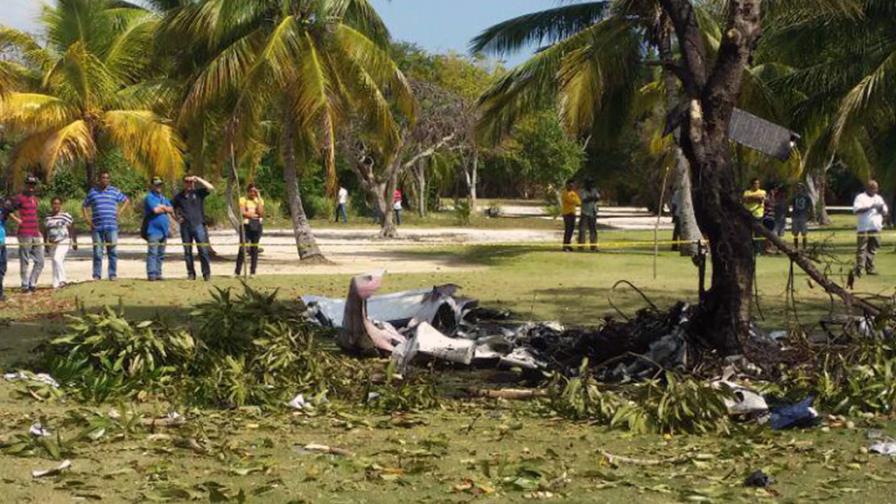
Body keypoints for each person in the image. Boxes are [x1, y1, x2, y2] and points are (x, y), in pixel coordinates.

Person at [83, 172, 130, 280]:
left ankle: (112, 274)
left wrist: (119, 212)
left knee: (112, 251)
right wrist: (87, 219)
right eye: (103, 178)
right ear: (99, 179)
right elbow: (84, 206)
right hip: (97, 227)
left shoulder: (114, 191)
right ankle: (96, 275)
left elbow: (126, 200)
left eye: (107, 178)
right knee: (98, 252)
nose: (105, 180)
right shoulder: (93, 192)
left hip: (111, 226)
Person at [173, 175, 214, 281]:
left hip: (198, 224)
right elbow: (172, 208)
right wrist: (177, 218)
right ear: (184, 183)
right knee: (187, 251)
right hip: (185, 227)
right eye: (187, 181)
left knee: (203, 250)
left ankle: (206, 274)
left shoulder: (198, 193)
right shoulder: (179, 196)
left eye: (191, 181)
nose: (189, 183)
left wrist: (198, 179)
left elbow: (211, 188)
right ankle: (191, 274)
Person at [11, 175, 44, 293]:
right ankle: (25, 285)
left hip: (35, 232)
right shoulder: (19, 198)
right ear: (26, 185)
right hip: (24, 232)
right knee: (25, 260)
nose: (31, 187)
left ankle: (32, 282)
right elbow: (8, 210)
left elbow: (35, 215)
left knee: (40, 261)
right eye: (29, 184)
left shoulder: (35, 199)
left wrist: (40, 231)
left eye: (33, 184)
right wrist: (17, 220)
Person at [853, 180, 889, 277]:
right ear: (867, 188)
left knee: (873, 249)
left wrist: (880, 209)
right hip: (863, 228)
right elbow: (856, 211)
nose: (874, 191)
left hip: (876, 227)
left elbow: (885, 212)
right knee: (861, 249)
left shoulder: (879, 198)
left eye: (876, 189)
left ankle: (870, 268)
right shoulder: (860, 197)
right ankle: (859, 269)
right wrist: (870, 207)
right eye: (872, 188)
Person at [143, 177, 174, 281]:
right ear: (152, 186)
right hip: (153, 230)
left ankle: (158, 273)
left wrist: (163, 207)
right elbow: (155, 210)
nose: (159, 187)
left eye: (160, 185)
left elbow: (171, 209)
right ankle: (151, 274)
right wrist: (164, 208)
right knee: (153, 253)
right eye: (156, 185)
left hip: (164, 230)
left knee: (161, 254)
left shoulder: (164, 198)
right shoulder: (149, 197)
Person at [43, 197, 77, 289]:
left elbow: (72, 228)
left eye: (58, 203)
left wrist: (74, 241)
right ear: (51, 204)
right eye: (54, 203)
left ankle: (62, 280)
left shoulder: (65, 215)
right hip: (52, 242)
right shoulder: (48, 217)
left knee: (57, 258)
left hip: (64, 240)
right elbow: (45, 231)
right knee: (54, 261)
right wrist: (45, 243)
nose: (56, 206)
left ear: (61, 205)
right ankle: (55, 283)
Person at [235, 184, 264, 276]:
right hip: (246, 225)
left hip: (257, 225)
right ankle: (237, 271)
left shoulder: (259, 200)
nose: (253, 193)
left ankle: (253, 271)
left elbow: (261, 213)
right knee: (242, 248)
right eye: (251, 191)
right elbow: (243, 212)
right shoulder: (243, 200)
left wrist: (258, 198)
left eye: (255, 191)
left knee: (254, 248)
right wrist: (253, 215)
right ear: (248, 191)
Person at [743, 178, 767, 255]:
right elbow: (745, 199)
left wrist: (750, 198)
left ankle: (758, 250)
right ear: (752, 184)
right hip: (748, 215)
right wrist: (755, 198)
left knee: (758, 233)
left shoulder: (762, 191)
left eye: (758, 183)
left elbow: (761, 197)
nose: (757, 185)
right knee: (748, 233)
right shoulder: (746, 192)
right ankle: (749, 249)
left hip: (758, 215)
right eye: (755, 183)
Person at [577, 179, 600, 251]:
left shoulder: (594, 190)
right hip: (585, 212)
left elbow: (597, 198)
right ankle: (581, 246)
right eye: (590, 184)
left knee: (593, 230)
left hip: (593, 212)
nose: (591, 185)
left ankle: (593, 246)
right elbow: (584, 200)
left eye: (592, 184)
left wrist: (592, 198)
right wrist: (592, 198)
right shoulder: (582, 191)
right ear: (586, 184)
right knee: (582, 230)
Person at [790, 182, 814, 250]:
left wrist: (810, 215)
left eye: (800, 188)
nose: (798, 189)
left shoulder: (806, 197)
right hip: (795, 216)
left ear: (803, 189)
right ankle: (796, 247)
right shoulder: (794, 197)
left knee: (804, 232)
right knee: (795, 233)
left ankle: (804, 247)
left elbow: (810, 206)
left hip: (803, 216)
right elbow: (792, 206)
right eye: (797, 188)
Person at [560, 180, 581, 252]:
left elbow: (578, 202)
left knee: (571, 230)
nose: (571, 187)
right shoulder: (564, 193)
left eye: (572, 185)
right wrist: (575, 200)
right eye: (570, 185)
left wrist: (575, 200)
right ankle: (565, 246)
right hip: (567, 214)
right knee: (567, 230)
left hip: (573, 213)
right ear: (566, 185)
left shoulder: (573, 193)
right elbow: (572, 201)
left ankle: (568, 245)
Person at [0, 197, 12, 300]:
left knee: (3, 268)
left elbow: (8, 211)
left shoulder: (3, 213)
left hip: (2, 243)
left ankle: (1, 293)